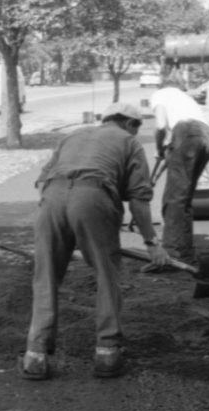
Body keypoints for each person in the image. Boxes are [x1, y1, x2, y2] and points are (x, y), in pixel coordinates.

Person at [21, 102, 166, 381]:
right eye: (137, 128)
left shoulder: (73, 136)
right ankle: (107, 353)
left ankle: (35, 357)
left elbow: (41, 182)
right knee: (106, 274)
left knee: (46, 277)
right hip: (93, 196)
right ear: (131, 124)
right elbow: (138, 198)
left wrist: (63, 227)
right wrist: (152, 243)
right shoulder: (128, 142)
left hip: (51, 199)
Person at [148, 77, 209, 267]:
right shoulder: (184, 98)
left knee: (174, 198)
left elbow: (161, 125)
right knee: (184, 196)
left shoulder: (160, 94)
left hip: (187, 131)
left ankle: (172, 254)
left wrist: (159, 148)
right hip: (207, 135)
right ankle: (184, 252)